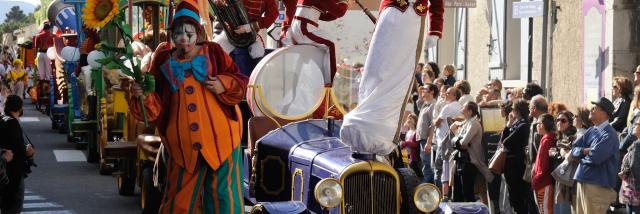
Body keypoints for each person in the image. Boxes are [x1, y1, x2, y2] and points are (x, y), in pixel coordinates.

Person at [129, 0, 248, 212]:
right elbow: (154, 108)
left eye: (189, 34)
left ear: (198, 33)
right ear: (171, 36)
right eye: (178, 34)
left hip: (223, 142)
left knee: (226, 201)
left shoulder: (214, 53)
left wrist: (223, 83)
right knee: (180, 203)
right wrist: (142, 94)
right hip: (182, 148)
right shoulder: (163, 60)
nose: (184, 39)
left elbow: (240, 81)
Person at [339, 0, 444, 158]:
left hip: (412, 20)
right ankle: (364, 125)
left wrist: (435, 30)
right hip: (391, 14)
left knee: (397, 81)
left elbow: (437, 3)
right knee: (375, 72)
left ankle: (377, 133)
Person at [570, 97, 620, 214]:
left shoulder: (610, 135)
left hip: (597, 186)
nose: (591, 110)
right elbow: (573, 149)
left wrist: (579, 156)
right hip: (583, 181)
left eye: (595, 108)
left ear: (604, 113)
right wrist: (583, 151)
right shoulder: (591, 130)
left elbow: (595, 158)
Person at [450, 101, 493, 202]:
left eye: (463, 108)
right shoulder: (467, 122)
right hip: (461, 159)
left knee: (468, 191)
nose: (461, 110)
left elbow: (464, 142)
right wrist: (457, 139)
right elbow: (460, 142)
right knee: (458, 190)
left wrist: (455, 134)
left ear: (470, 111)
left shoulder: (474, 124)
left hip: (470, 161)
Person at [0, 95, 35, 213]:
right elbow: (18, 148)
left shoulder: (3, 119)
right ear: (20, 108)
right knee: (13, 206)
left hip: (5, 172)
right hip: (13, 173)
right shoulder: (12, 123)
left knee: (7, 205)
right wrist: (28, 151)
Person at [212, 0, 278, 59]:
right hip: (231, 34)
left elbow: (273, 14)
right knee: (216, 47)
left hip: (251, 37)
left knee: (257, 53)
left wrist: (249, 27)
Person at [501, 99, 531, 213]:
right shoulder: (517, 123)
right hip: (511, 164)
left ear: (517, 111)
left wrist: (508, 127)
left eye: (513, 109)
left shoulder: (523, 125)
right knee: (513, 196)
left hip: (516, 165)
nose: (511, 111)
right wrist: (508, 124)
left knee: (517, 195)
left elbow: (505, 141)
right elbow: (503, 140)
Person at [433, 87, 462, 200]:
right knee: (450, 169)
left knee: (439, 169)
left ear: (454, 96)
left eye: (448, 93)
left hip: (444, 142)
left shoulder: (448, 107)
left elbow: (437, 122)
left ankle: (441, 196)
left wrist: (435, 120)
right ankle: (449, 194)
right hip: (454, 141)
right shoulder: (460, 106)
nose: (445, 94)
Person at [551, 111, 577, 214]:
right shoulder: (561, 137)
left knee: (564, 209)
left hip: (569, 181)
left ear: (570, 122)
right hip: (561, 178)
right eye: (558, 120)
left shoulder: (572, 137)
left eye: (563, 120)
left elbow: (571, 156)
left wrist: (561, 152)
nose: (559, 122)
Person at [532, 113, 556, 214]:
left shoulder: (547, 140)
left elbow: (543, 166)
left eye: (537, 123)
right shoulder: (545, 139)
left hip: (543, 183)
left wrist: (535, 180)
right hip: (543, 183)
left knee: (545, 210)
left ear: (542, 125)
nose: (536, 126)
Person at [416, 83, 438, 183]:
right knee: (425, 163)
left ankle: (429, 186)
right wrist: (421, 93)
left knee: (428, 164)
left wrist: (429, 142)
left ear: (432, 91)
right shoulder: (426, 104)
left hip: (427, 140)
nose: (422, 90)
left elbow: (433, 125)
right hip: (422, 139)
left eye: (425, 89)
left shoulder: (433, 105)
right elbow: (418, 104)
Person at [619, 125, 640, 214]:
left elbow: (635, 167)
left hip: (635, 191)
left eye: (638, 124)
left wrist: (625, 172)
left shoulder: (637, 145)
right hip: (631, 192)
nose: (635, 125)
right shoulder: (635, 143)